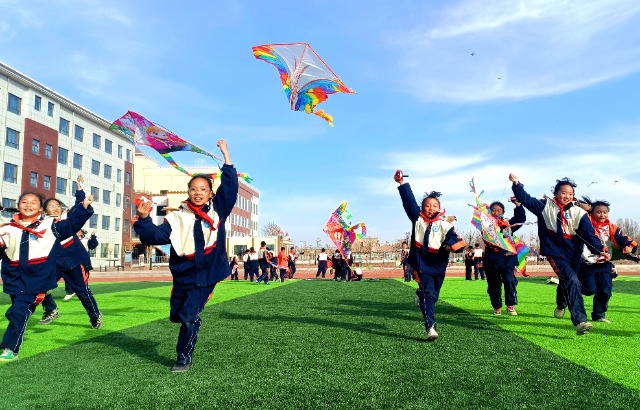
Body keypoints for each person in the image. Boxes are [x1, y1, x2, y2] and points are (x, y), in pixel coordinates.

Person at [133, 139, 238, 372]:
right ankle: (190, 318)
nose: (198, 193)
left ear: (210, 193)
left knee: (189, 317)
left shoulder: (218, 210)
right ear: (188, 192)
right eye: (194, 189)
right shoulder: (177, 217)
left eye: (203, 189)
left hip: (207, 274)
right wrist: (143, 219)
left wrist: (226, 156)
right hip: (183, 275)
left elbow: (229, 189)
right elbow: (153, 236)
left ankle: (183, 357)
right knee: (179, 315)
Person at [0, 191, 94, 362]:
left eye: (33, 202)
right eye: (24, 202)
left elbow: (71, 224)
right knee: (17, 311)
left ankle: (10, 347)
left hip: (37, 279)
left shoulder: (50, 226)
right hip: (14, 280)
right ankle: (49, 310)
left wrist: (84, 207)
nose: (28, 205)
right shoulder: (7, 228)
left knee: (19, 311)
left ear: (40, 208)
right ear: (18, 204)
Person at [509, 174, 608, 335]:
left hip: (574, 252)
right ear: (556, 193)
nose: (567, 196)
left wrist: (600, 250)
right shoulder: (544, 206)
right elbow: (525, 199)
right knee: (572, 280)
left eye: (570, 194)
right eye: (563, 192)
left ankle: (561, 303)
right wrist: (516, 183)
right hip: (555, 252)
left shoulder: (579, 213)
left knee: (569, 280)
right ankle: (580, 321)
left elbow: (589, 234)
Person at [395, 170, 466, 341]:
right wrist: (402, 183)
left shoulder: (445, 224)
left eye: (435, 205)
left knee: (433, 296)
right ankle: (430, 328)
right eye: (427, 205)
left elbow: (454, 241)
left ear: (439, 208)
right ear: (422, 208)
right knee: (429, 294)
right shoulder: (417, 218)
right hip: (420, 264)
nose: (431, 208)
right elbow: (409, 202)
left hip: (438, 266)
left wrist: (452, 247)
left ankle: (421, 296)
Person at [38, 178, 103, 329]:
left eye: (57, 206)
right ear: (45, 211)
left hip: (74, 262)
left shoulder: (68, 218)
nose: (54, 208)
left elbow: (80, 205)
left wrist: (80, 190)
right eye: (50, 206)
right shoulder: (42, 225)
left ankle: (95, 316)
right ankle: (51, 309)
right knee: (39, 286)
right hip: (54, 263)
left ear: (61, 209)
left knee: (82, 292)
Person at [576, 197, 637, 323]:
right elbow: (578, 210)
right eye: (599, 212)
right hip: (586, 264)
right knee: (588, 290)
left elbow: (625, 240)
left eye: (605, 212)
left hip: (603, 263)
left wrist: (629, 247)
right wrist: (579, 205)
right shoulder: (585, 223)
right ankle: (569, 287)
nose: (602, 214)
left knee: (605, 290)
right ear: (592, 212)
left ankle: (599, 314)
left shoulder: (612, 228)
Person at [483, 198, 525, 316]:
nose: (496, 213)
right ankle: (497, 306)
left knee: (509, 280)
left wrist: (518, 205)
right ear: (490, 212)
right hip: (491, 259)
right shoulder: (485, 225)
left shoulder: (508, 225)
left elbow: (520, 219)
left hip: (507, 257)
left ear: (503, 212)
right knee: (493, 284)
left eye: (499, 210)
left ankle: (510, 304)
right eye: (494, 210)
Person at [63, 229, 98, 300]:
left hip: (82, 263)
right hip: (71, 262)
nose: (77, 232)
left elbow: (93, 245)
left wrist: (93, 236)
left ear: (82, 233)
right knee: (68, 277)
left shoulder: (85, 241)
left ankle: (85, 294)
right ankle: (69, 292)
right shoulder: (70, 241)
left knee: (83, 279)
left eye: (79, 231)